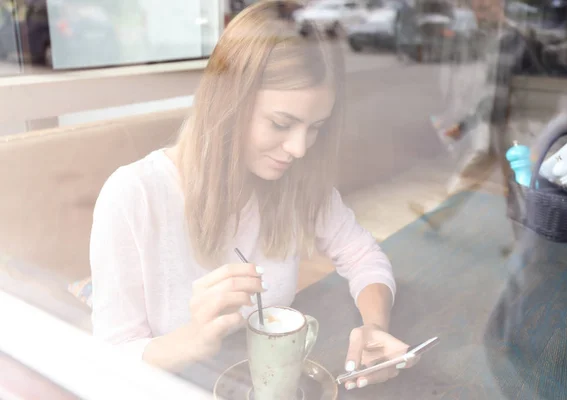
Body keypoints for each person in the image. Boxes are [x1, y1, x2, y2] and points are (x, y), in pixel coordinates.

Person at [90, 0, 417, 392]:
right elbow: (112, 357)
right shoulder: (133, 197)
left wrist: (374, 328)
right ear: (227, 102)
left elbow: (363, 257)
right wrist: (192, 339)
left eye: (316, 127)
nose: (299, 148)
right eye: (282, 123)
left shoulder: (296, 180)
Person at [409, 0, 544, 231]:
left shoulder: (515, 40)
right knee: (480, 175)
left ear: (498, 5)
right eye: (476, 9)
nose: (477, 15)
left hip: (512, 128)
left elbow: (518, 89)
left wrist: (467, 125)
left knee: (517, 185)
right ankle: (439, 216)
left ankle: (528, 239)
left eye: (482, 8)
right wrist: (465, 125)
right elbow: (493, 95)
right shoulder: (498, 39)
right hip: (498, 126)